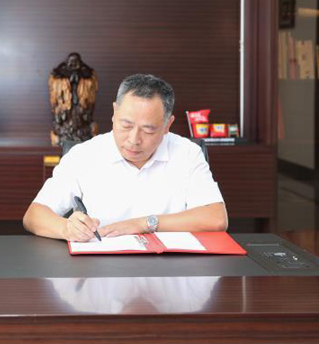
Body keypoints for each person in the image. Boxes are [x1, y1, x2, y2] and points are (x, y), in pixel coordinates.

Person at [23, 73, 228, 242]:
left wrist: (143, 224)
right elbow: (34, 215)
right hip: (102, 270)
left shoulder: (187, 153)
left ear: (167, 125)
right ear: (114, 112)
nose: (134, 139)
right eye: (126, 125)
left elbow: (216, 219)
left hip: (171, 269)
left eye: (148, 130)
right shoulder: (84, 155)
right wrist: (66, 228)